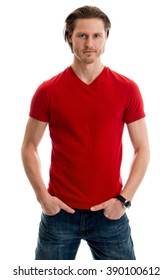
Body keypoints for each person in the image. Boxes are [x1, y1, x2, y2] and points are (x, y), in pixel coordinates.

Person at [21, 5, 150, 260]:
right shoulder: (48, 91)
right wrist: (43, 198)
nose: (89, 43)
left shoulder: (127, 89)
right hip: (59, 214)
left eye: (96, 35)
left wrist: (123, 201)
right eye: (82, 35)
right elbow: (28, 147)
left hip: (109, 214)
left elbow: (143, 149)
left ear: (106, 38)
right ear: (69, 37)